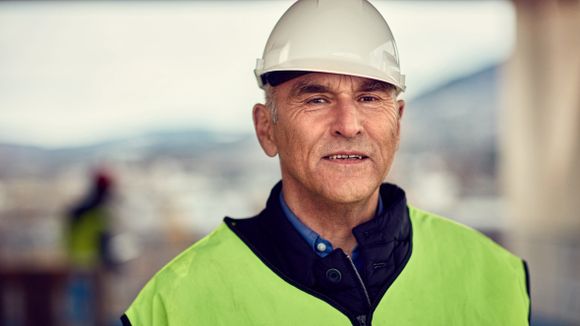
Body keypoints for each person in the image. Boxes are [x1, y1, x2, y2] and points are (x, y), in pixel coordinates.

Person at [122, 0, 530, 325]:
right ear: (267, 129)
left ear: (398, 124)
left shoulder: (496, 276)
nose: (349, 125)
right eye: (316, 98)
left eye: (370, 97)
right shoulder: (171, 308)